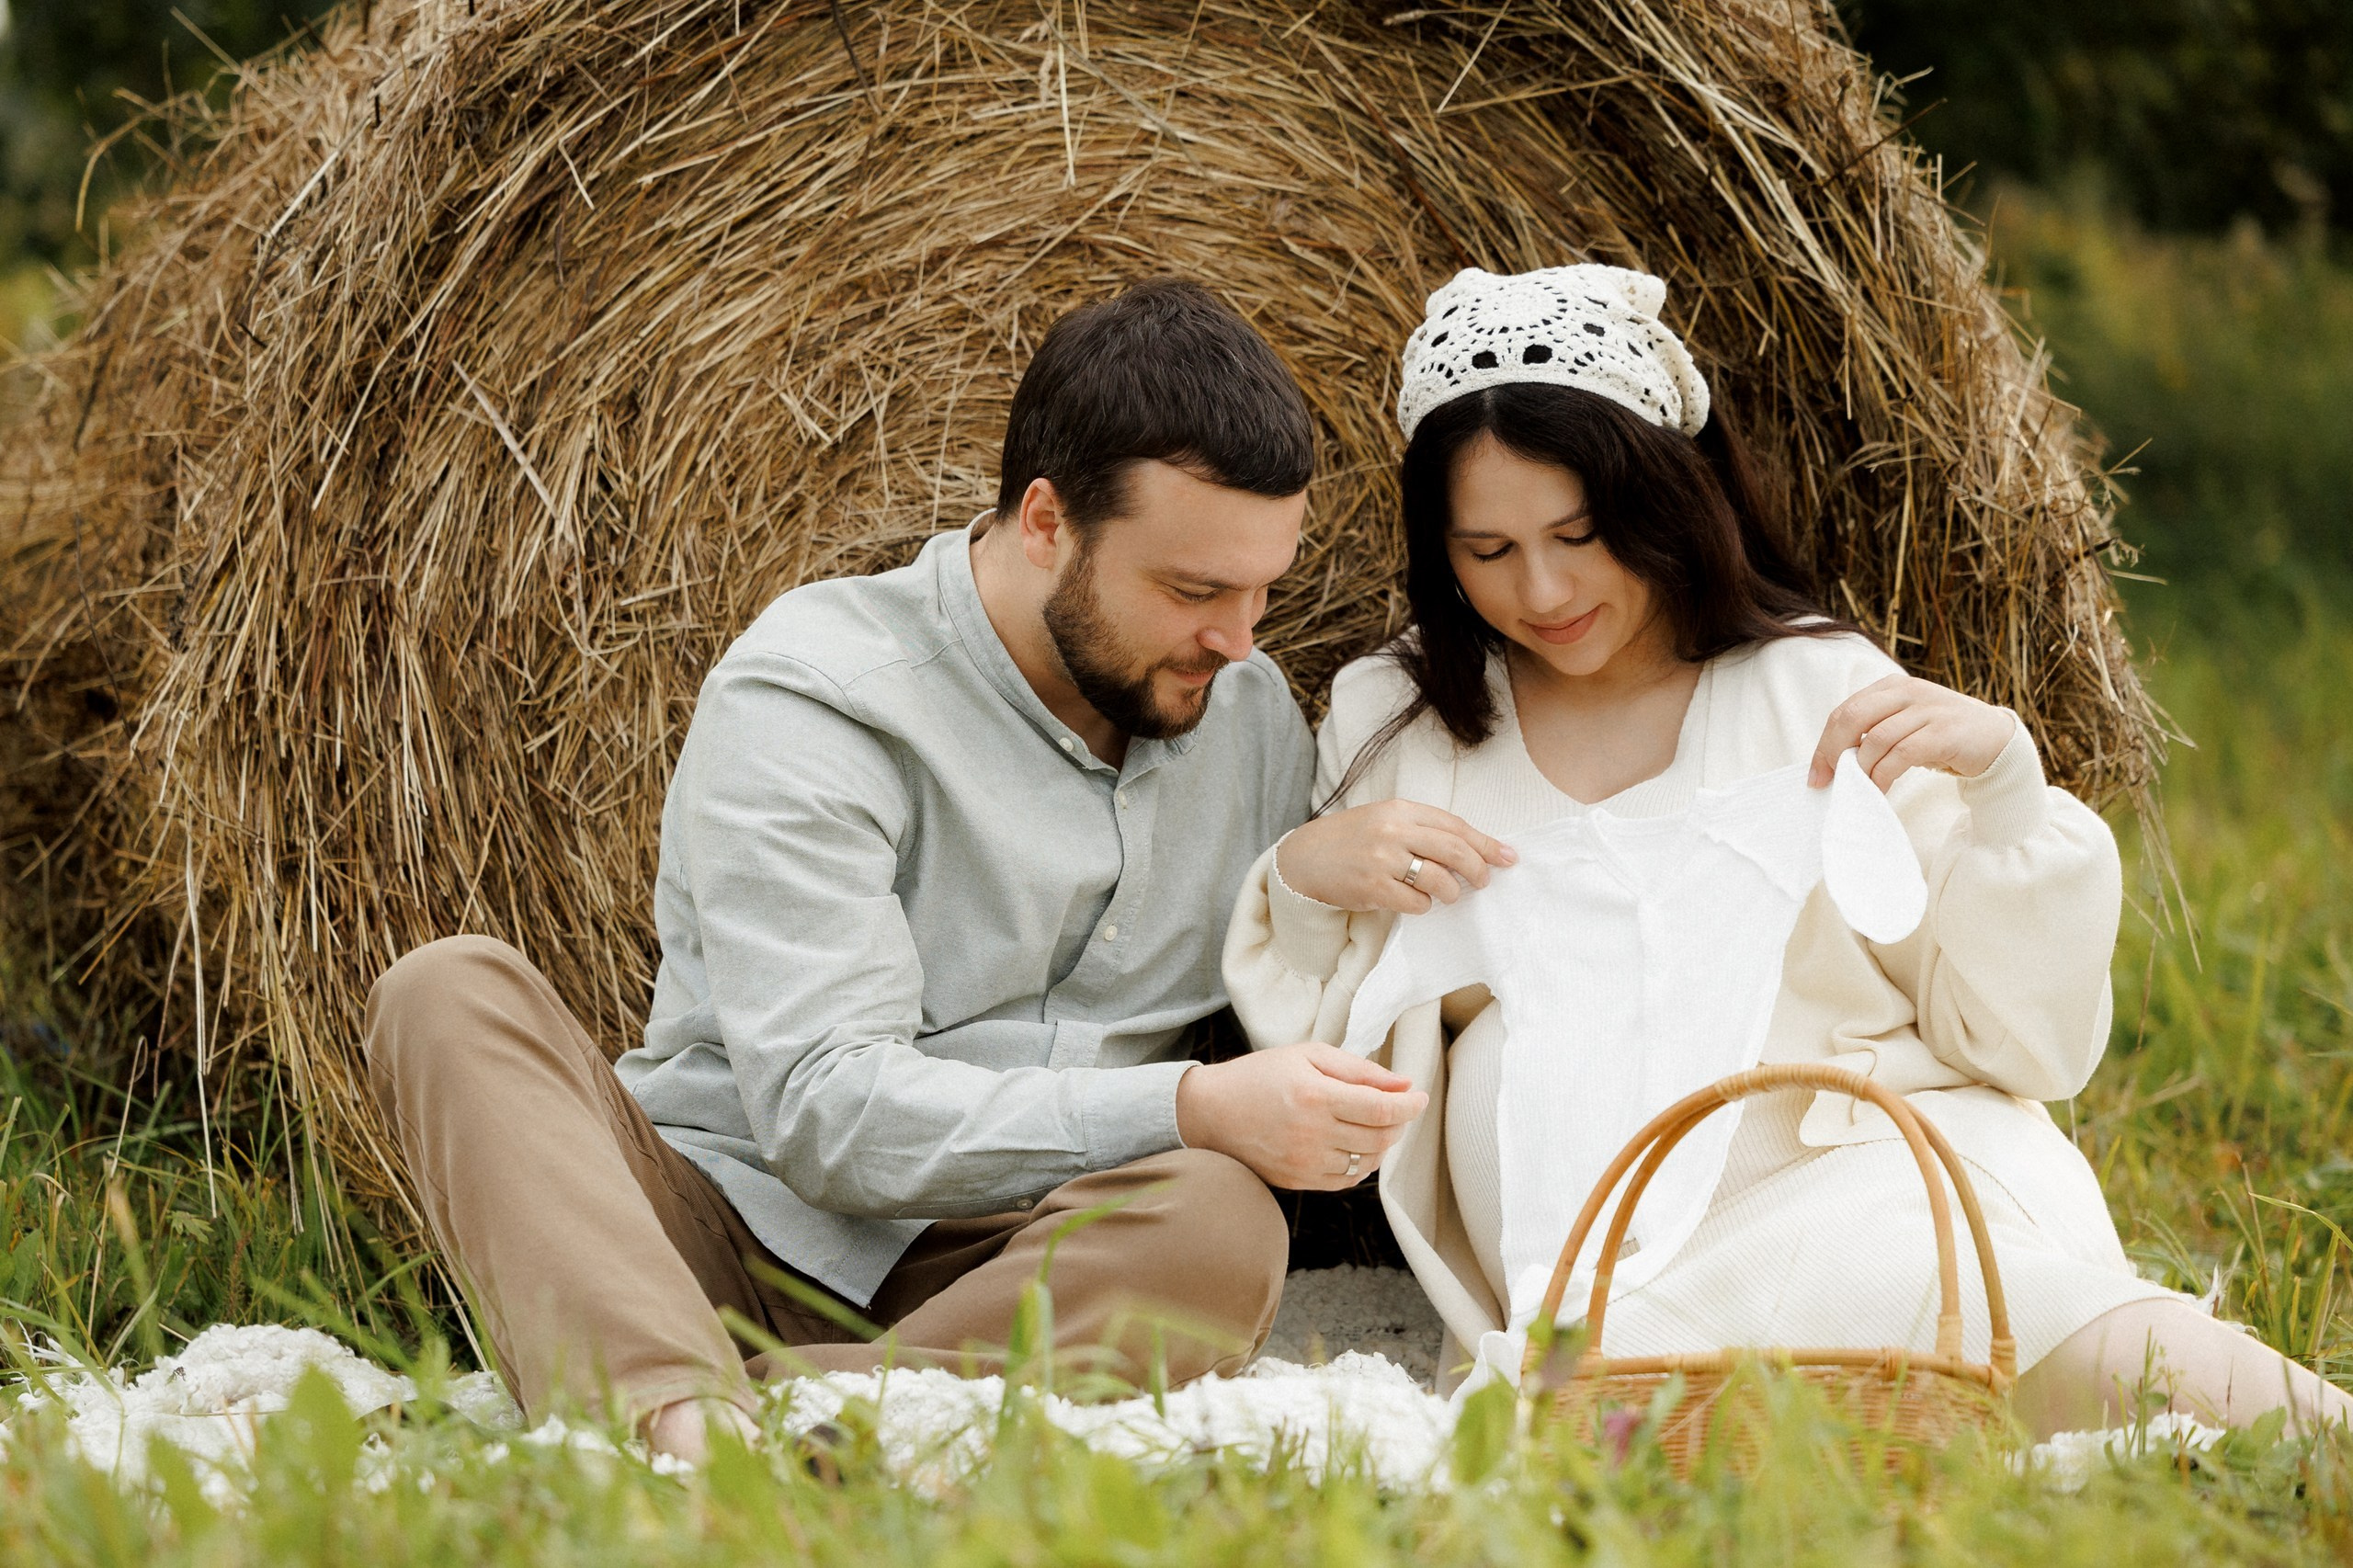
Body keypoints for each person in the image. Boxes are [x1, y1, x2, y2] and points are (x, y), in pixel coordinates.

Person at [1222, 263, 2353, 1437]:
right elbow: (1336, 1086)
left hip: (1847, 1163)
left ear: (1666, 497)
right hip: (1586, 1224)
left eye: (1579, 532)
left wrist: (2011, 797)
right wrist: (1308, 878)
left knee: (2078, 1341)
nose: (1543, 588)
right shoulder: (1392, 719)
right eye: (1488, 549)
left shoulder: (1811, 691)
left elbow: (2025, 1044)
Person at [361, 278, 1429, 1461]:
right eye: (1191, 591)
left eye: (1260, 589)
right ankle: (720, 1409)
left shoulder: (1248, 710)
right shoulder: (818, 693)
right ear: (1044, 522)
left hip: (1014, 1268)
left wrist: (1300, 871)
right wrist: (1182, 1103)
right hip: (715, 1230)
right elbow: (827, 1112)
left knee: (1219, 1223)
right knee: (448, 992)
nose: (1236, 638)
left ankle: (711, 1420)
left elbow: (1296, 974)